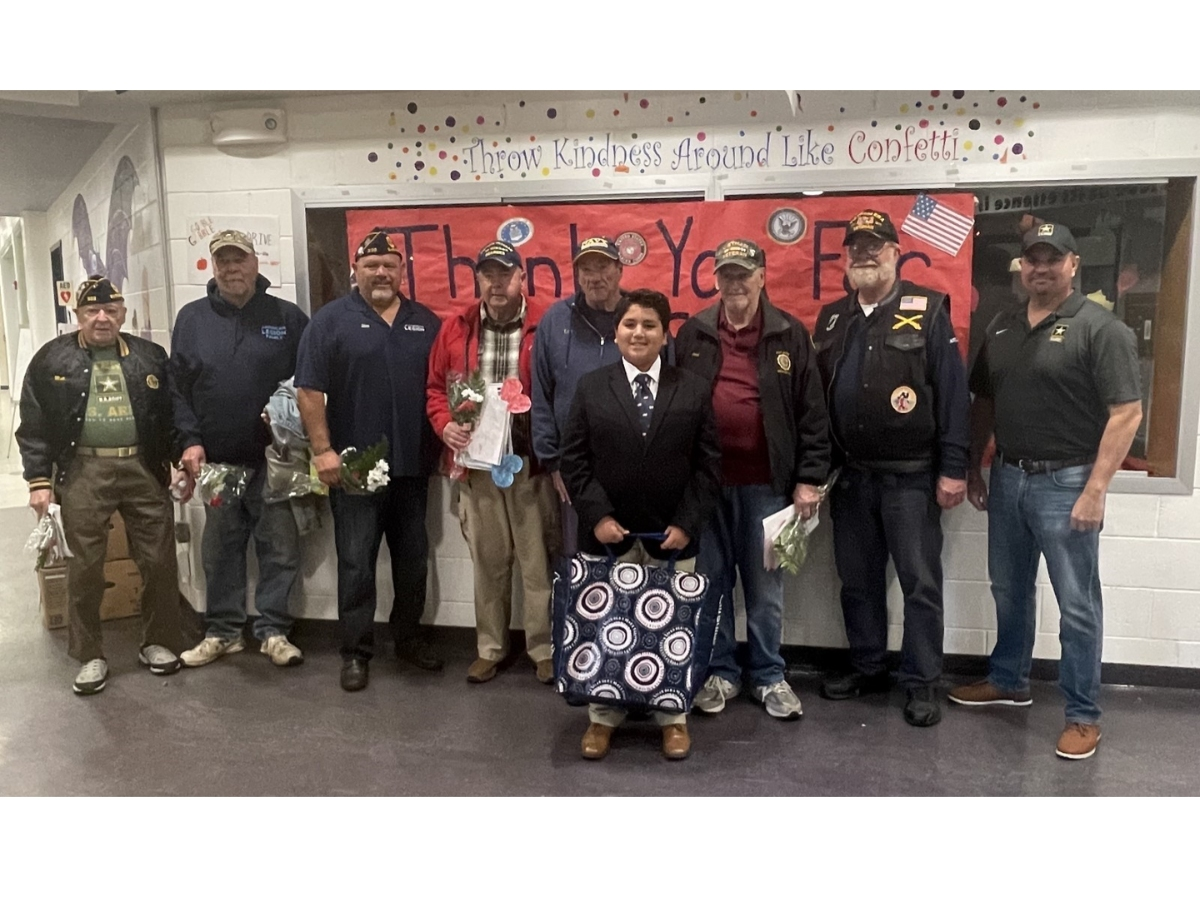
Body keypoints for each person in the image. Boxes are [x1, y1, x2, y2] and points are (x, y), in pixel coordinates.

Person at [952, 222, 1142, 761]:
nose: (1040, 267)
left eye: (1052, 259)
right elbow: (984, 402)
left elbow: (1127, 413)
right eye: (1031, 259)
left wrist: (1096, 489)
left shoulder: (1100, 329)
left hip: (1068, 482)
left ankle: (1083, 715)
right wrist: (974, 468)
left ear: (1073, 265)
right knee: (1009, 590)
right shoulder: (1003, 325)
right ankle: (1009, 679)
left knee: (1077, 605)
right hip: (1009, 475)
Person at [812, 210, 970, 727]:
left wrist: (954, 468)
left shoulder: (925, 310)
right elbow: (816, 403)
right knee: (857, 582)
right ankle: (867, 665)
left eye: (875, 245)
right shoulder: (832, 318)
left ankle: (922, 681)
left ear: (895, 252)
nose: (864, 254)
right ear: (845, 257)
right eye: (855, 246)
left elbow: (951, 394)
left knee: (919, 584)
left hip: (911, 478)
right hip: (852, 477)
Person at [560, 288, 722, 761]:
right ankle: (602, 718)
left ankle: (671, 719)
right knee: (607, 626)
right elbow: (575, 462)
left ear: (665, 333)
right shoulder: (592, 387)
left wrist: (688, 524)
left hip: (671, 536)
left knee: (670, 630)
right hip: (608, 536)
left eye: (650, 325)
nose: (639, 332)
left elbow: (708, 466)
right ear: (617, 331)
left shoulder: (691, 387)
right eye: (630, 324)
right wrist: (599, 516)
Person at [675, 239, 830, 720]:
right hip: (708, 487)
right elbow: (674, 409)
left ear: (763, 276)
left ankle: (768, 674)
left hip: (768, 487)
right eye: (726, 274)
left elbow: (813, 415)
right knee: (712, 581)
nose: (735, 283)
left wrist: (808, 480)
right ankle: (721, 671)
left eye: (744, 273)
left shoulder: (789, 333)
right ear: (716, 280)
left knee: (765, 588)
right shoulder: (694, 334)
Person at [17, 277, 188, 694]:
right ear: (77, 315)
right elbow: (34, 426)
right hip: (83, 472)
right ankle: (90, 654)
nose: (101, 318)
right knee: (86, 566)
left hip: (142, 466)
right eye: (91, 311)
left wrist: (182, 457)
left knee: (160, 559)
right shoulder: (51, 360)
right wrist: (39, 483)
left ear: (123, 313)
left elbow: (171, 414)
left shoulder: (150, 357)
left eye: (110, 310)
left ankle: (159, 643)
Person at [295, 228, 443, 691]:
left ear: (403, 270)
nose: (381, 272)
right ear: (355, 270)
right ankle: (355, 652)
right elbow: (308, 390)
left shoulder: (426, 321)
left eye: (390, 265)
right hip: (354, 470)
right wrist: (322, 451)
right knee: (356, 562)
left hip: (413, 467)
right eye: (371, 265)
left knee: (413, 560)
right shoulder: (330, 321)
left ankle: (409, 639)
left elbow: (443, 387)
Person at [171, 229, 310, 669]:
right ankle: (223, 632)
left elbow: (308, 384)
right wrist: (189, 442)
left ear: (255, 262)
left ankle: (273, 631)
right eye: (223, 261)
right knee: (220, 550)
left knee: (280, 549)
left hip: (275, 460)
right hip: (219, 463)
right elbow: (178, 390)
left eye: (239, 259)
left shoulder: (287, 317)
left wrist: (289, 417)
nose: (232, 268)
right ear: (214, 267)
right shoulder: (191, 318)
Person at [427, 240, 560, 685]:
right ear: (478, 279)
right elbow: (433, 390)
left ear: (523, 278)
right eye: (488, 274)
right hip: (476, 466)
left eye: (506, 274)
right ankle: (490, 648)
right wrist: (445, 424)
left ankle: (544, 648)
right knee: (488, 563)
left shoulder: (547, 326)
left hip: (529, 464)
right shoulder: (455, 329)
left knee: (538, 563)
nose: (496, 282)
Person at [531, 235, 627, 555]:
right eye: (585, 268)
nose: (594, 276)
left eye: (603, 266)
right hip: (575, 469)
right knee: (580, 564)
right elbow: (541, 396)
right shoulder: (555, 321)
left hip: (633, 468)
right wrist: (555, 462)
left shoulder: (640, 318)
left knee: (631, 569)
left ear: (620, 270)